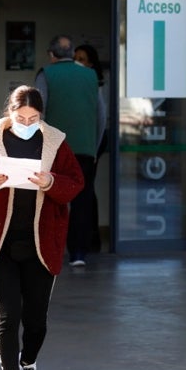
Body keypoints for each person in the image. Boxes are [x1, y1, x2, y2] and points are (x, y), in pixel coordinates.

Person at [0, 85, 83, 370]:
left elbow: (74, 184)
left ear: (41, 116)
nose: (27, 123)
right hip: (0, 244)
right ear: (9, 113)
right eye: (20, 116)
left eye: (33, 117)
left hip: (42, 244)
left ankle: (28, 363)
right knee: (8, 315)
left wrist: (51, 182)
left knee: (36, 319)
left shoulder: (56, 143)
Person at [33, 35, 99, 267]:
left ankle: (49, 250)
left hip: (55, 150)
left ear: (51, 55)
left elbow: (38, 114)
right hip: (85, 149)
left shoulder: (46, 74)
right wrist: (93, 145)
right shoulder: (91, 76)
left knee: (51, 199)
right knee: (82, 200)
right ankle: (79, 253)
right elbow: (100, 115)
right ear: (71, 54)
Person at [72, 43, 109, 248]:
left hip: (94, 140)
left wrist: (94, 149)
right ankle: (89, 236)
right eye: (75, 57)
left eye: (83, 59)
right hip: (85, 140)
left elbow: (101, 117)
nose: (78, 62)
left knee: (85, 190)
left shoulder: (97, 83)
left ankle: (89, 237)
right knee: (85, 190)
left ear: (91, 63)